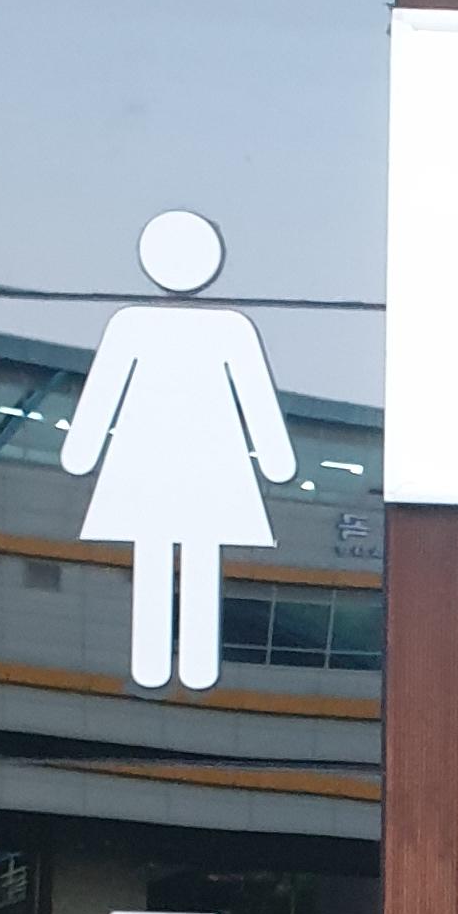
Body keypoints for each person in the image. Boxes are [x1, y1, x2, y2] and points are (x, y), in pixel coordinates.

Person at [63, 209, 295, 693]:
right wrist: (277, 461)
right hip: (209, 460)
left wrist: (81, 452)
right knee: (194, 556)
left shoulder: (135, 323)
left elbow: (103, 395)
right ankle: (190, 666)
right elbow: (255, 399)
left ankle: (161, 665)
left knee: (162, 555)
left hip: (150, 458)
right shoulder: (226, 327)